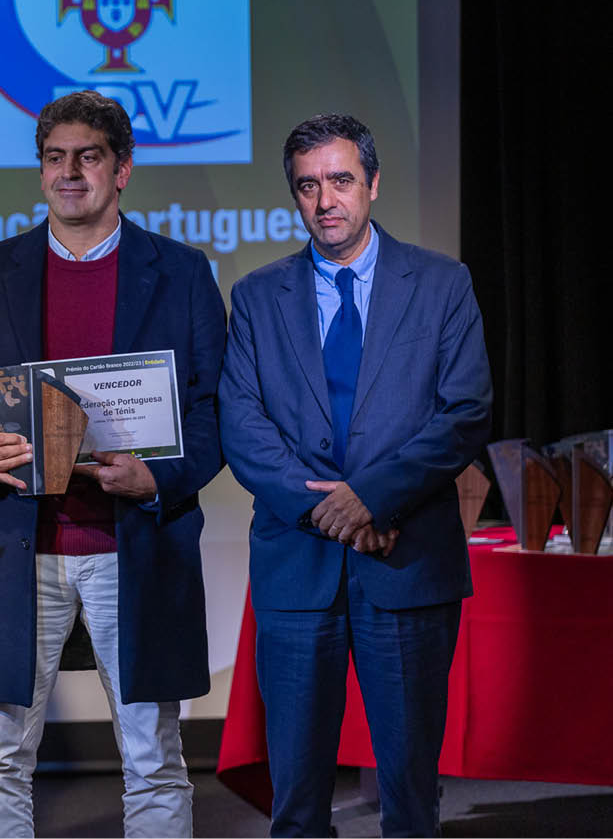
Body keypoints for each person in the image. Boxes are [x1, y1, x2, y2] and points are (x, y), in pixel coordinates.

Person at [0, 90, 226, 837]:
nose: (68, 172)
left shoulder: (181, 271)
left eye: (87, 157)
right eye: (53, 158)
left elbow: (218, 410)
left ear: (121, 169)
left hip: (135, 542)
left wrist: (160, 477)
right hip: (21, 543)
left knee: (151, 755)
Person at [219, 113, 492, 837]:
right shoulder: (254, 296)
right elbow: (242, 427)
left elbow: (464, 413)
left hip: (405, 562)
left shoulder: (441, 284)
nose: (324, 199)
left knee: (409, 799)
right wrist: (326, 512)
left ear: (371, 183)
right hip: (296, 568)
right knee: (297, 803)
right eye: (306, 186)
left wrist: (370, 498)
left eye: (339, 180)